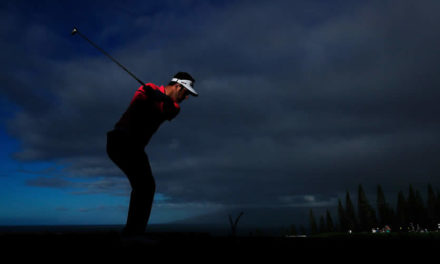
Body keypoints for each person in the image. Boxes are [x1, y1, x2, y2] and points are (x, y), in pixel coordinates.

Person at [106, 72, 198, 235]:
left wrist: (158, 97)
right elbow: (139, 104)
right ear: (178, 86)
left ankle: (132, 233)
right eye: (186, 93)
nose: (186, 98)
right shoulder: (147, 89)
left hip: (134, 147)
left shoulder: (175, 108)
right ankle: (133, 234)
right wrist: (152, 94)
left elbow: (168, 110)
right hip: (120, 141)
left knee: (145, 186)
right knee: (145, 186)